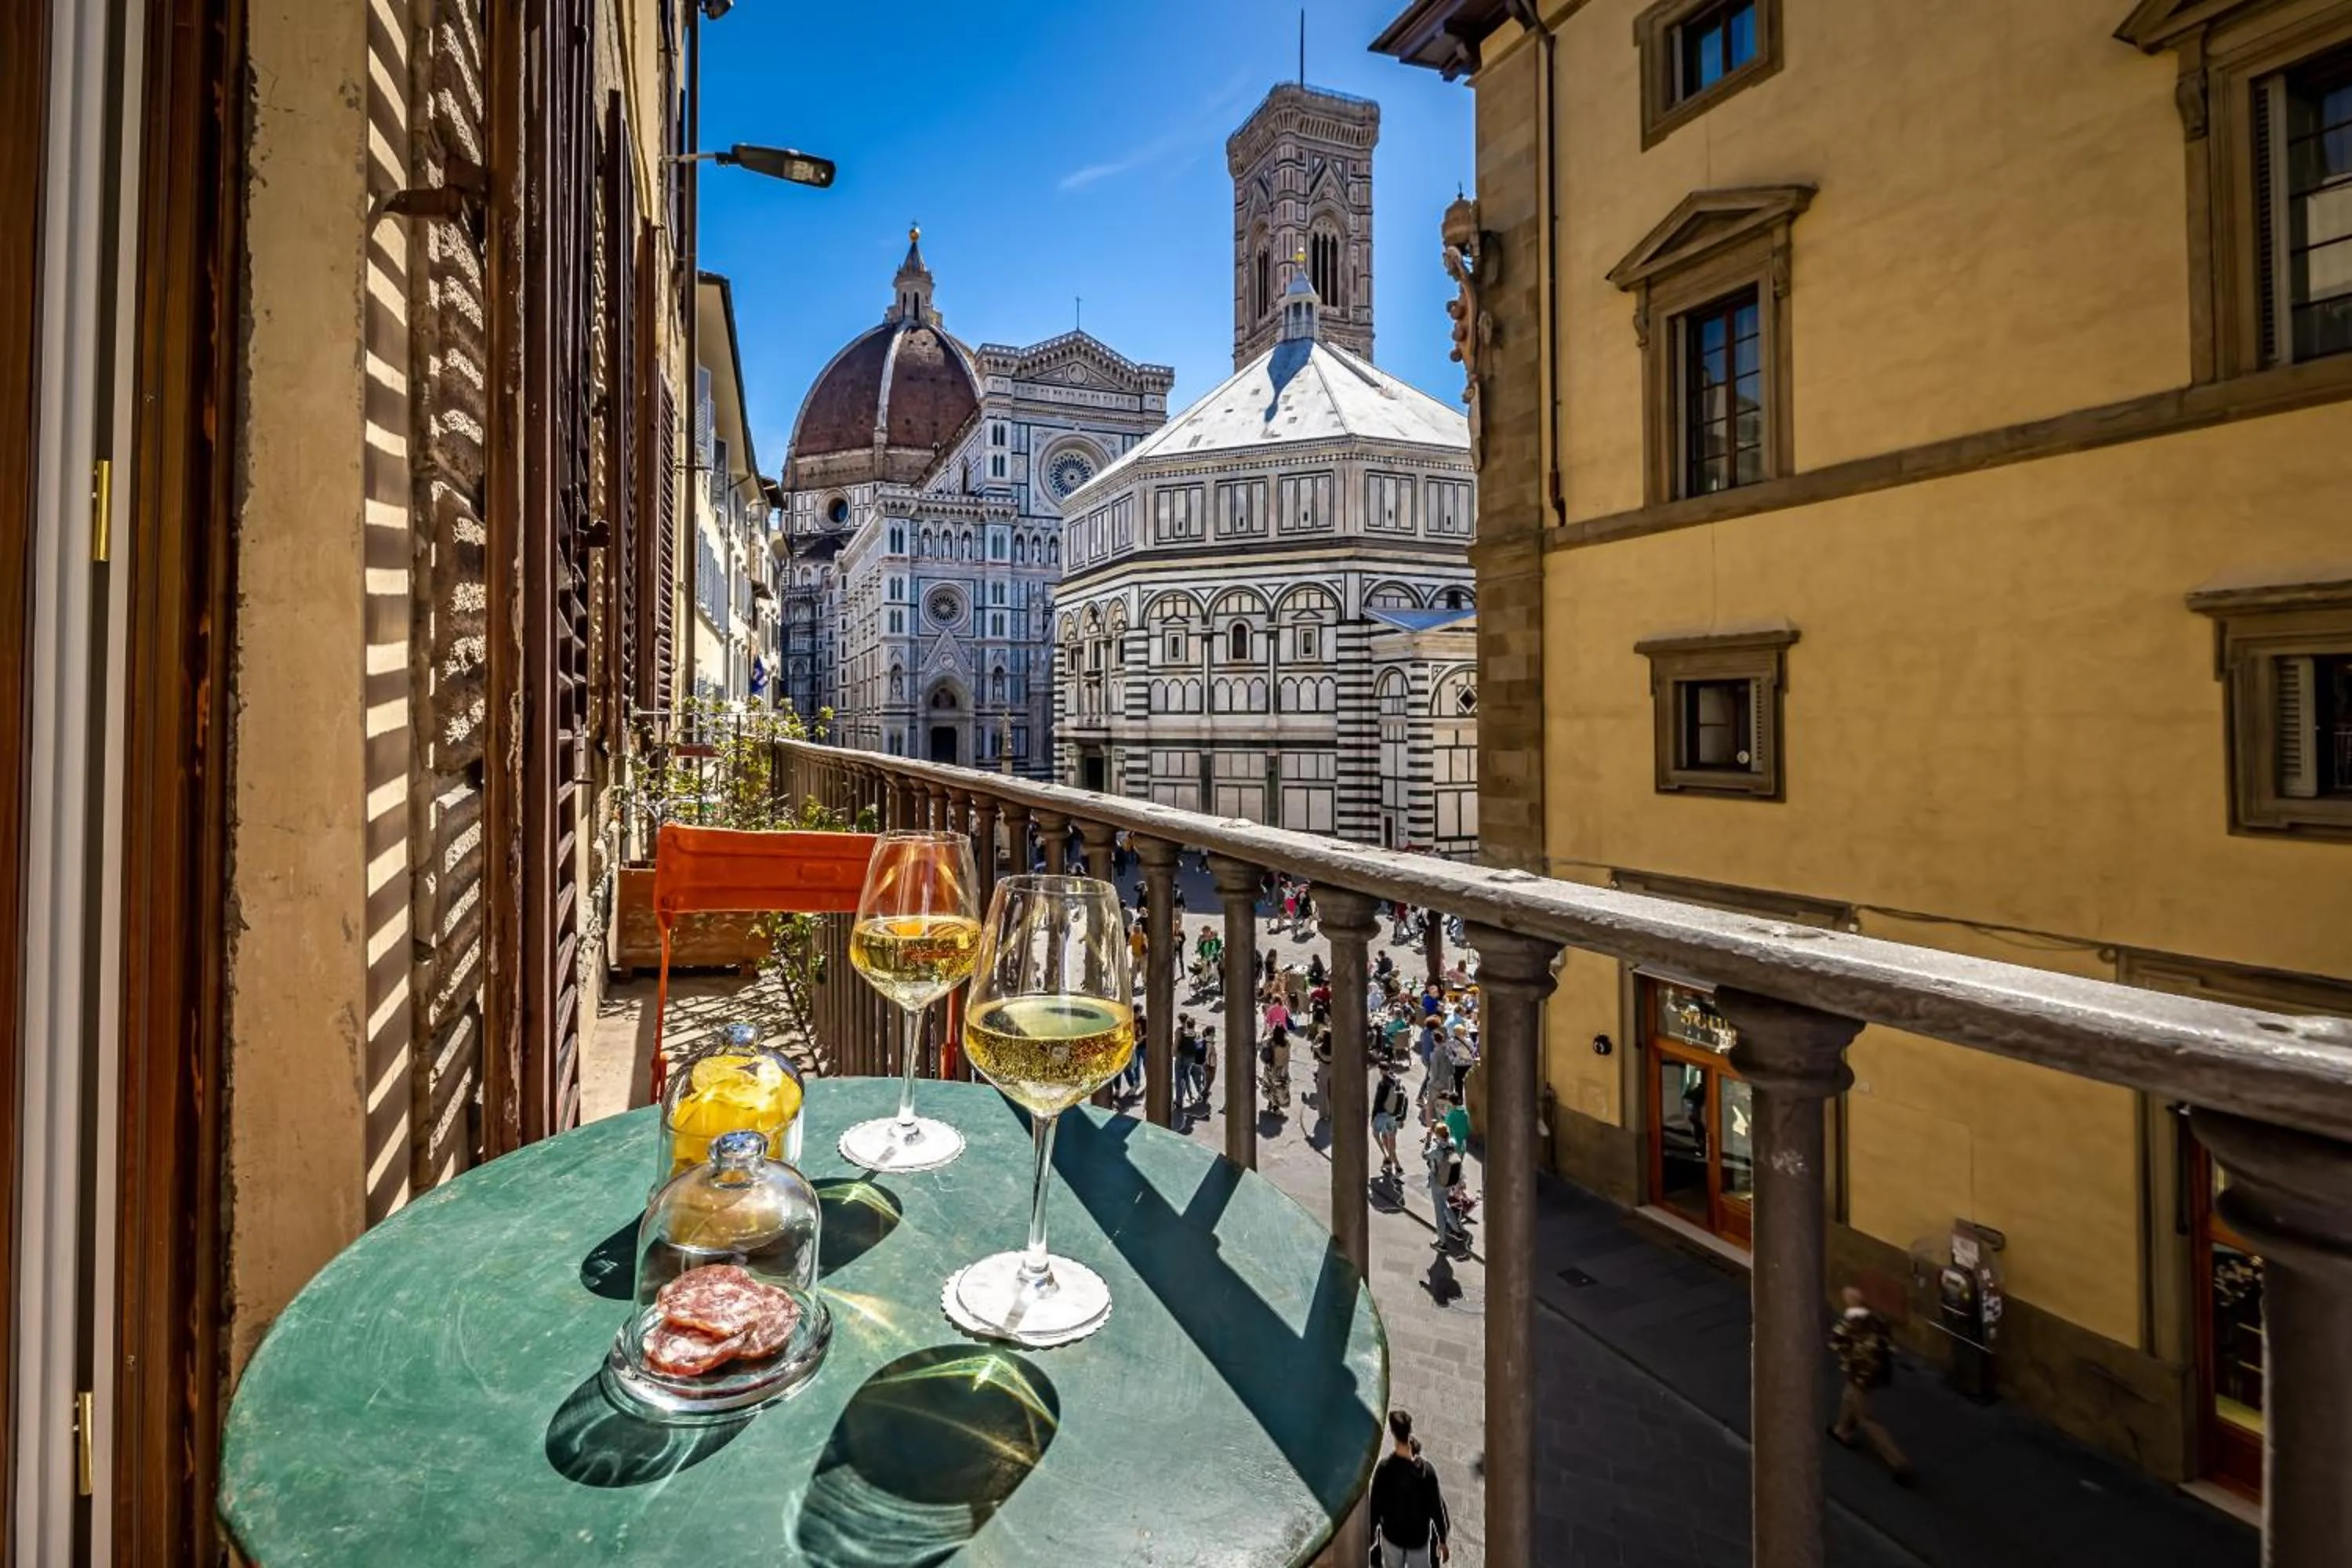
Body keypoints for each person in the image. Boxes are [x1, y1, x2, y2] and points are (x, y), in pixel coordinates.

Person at [1831, 1286, 1912, 1479]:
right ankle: (1842, 1430)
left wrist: (1849, 1358)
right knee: (1849, 1396)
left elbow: (1835, 1344)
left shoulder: (1847, 1325)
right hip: (1877, 1372)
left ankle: (1899, 1463)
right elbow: (1890, 1344)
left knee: (1866, 1418)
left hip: (1860, 1374)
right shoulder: (1877, 1320)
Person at [1367, 1409, 1450, 1566]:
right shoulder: (1427, 1472)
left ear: (1392, 1433)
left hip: (1392, 1538)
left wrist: (1372, 1535)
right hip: (1418, 1541)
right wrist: (1442, 1539)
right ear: (1410, 1432)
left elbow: (1375, 1507)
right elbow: (1436, 1508)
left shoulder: (1384, 1469)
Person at [1425, 1122, 1465, 1251]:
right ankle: (1457, 1230)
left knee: (1439, 1212)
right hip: (1449, 1180)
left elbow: (1424, 1155)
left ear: (1437, 1134)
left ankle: (1442, 1242)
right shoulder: (1452, 1143)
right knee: (1445, 1204)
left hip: (1438, 1182)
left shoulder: (1436, 1150)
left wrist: (1428, 1139)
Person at [1372, 1065, 1409, 1179]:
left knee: (1382, 1137)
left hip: (1383, 1115)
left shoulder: (1383, 1084)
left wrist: (1373, 1117)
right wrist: (1401, 1118)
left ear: (1382, 1071)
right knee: (1391, 1141)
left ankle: (1397, 1167)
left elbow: (1378, 1102)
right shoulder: (1399, 1084)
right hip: (1394, 1117)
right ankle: (1388, 1163)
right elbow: (1405, 1101)